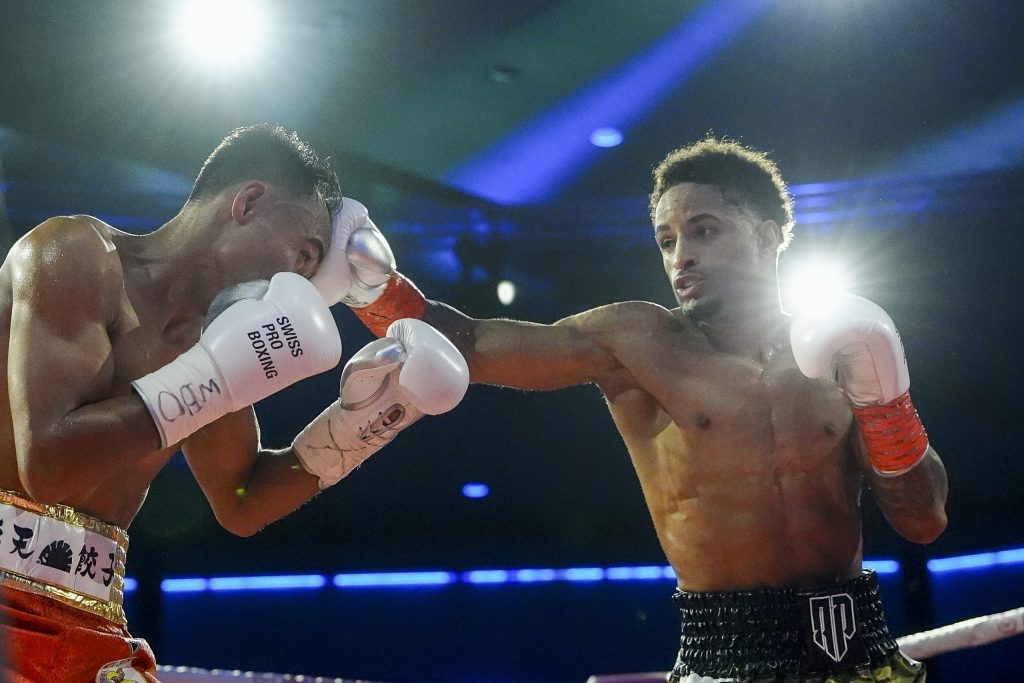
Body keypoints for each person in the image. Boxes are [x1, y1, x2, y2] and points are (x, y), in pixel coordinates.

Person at [332, 137, 949, 682]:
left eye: (704, 231)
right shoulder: (638, 343)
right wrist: (373, 288)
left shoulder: (840, 348)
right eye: (667, 240)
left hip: (862, 655)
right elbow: (469, 344)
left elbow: (923, 521)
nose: (681, 256)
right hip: (725, 660)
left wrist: (885, 404)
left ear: (767, 235)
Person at [0, 123, 469, 683]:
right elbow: (48, 466)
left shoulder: (215, 340)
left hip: (89, 620)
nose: (299, 284)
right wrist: (212, 378)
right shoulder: (76, 254)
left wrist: (368, 419)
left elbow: (242, 499)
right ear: (248, 202)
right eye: (304, 254)